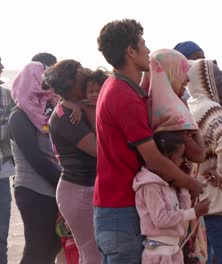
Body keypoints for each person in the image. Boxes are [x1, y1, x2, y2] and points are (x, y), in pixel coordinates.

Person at [94, 19, 203, 264]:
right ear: (131, 51)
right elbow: (153, 158)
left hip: (118, 206)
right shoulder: (123, 96)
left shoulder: (123, 89)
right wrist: (190, 183)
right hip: (121, 210)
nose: (147, 50)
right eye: (143, 44)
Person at [187, 59, 222, 264]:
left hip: (198, 193)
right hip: (216, 194)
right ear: (206, 81)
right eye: (218, 77)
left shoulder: (190, 106)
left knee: (210, 256)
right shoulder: (212, 108)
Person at [45, 60, 102, 264]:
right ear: (70, 83)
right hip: (78, 190)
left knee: (94, 252)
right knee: (92, 253)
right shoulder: (64, 116)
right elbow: (98, 149)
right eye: (79, 72)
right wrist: (87, 110)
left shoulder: (79, 105)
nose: (85, 72)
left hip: (86, 187)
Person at [9, 61, 62, 263]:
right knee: (36, 249)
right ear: (31, 82)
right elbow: (35, 158)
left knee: (52, 247)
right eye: (44, 81)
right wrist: (62, 182)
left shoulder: (44, 113)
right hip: (33, 191)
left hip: (52, 189)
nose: (48, 88)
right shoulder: (19, 116)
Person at [134, 131, 211, 264]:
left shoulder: (168, 182)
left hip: (173, 250)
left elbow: (182, 210)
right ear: (166, 158)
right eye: (180, 156)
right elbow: (161, 219)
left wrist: (183, 184)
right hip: (158, 254)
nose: (182, 161)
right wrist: (193, 212)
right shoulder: (150, 185)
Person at [0, 57, 15, 264]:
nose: (2, 67)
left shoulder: (6, 95)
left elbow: (12, 133)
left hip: (2, 174)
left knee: (1, 235)